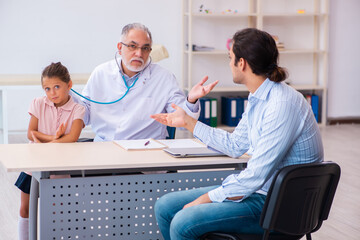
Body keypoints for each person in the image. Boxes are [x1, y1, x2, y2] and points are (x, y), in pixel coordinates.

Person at [151, 28, 324, 240]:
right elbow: (235, 145)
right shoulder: (258, 97)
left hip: (280, 205)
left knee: (184, 221)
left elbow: (256, 175)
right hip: (261, 193)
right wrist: (188, 122)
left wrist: (207, 198)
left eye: (230, 58)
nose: (229, 63)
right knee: (165, 206)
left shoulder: (281, 104)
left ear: (241, 63)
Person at [73, 23, 217, 141]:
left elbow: (182, 121)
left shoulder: (164, 78)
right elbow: (84, 116)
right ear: (119, 47)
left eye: (145, 48)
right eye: (132, 46)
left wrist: (191, 100)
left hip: (145, 153)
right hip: (104, 150)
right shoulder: (101, 73)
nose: (139, 53)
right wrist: (65, 98)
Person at [14, 62, 85, 240]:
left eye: (56, 87)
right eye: (47, 88)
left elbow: (73, 137)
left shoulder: (78, 109)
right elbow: (31, 133)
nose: (52, 93)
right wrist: (54, 138)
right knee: (25, 208)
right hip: (34, 166)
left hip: (60, 169)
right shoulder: (38, 103)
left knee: (57, 209)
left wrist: (45, 138)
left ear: (69, 85)